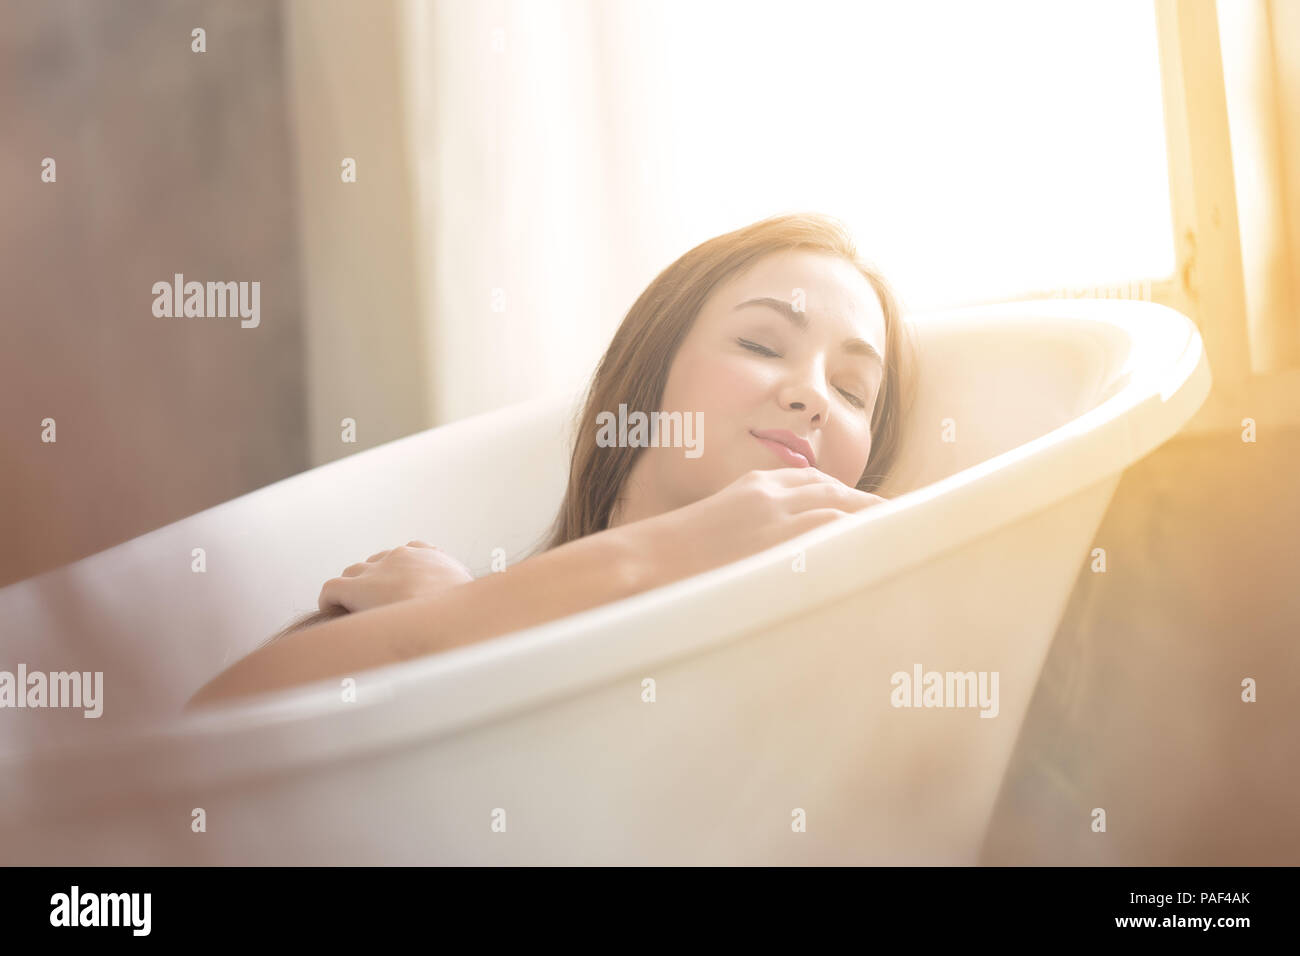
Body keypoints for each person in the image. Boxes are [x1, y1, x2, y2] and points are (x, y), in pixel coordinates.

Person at [186, 212, 916, 708]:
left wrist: (455, 618)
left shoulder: (854, 671)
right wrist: (475, 619)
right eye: (760, 345)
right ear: (646, 378)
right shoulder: (440, 601)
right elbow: (186, 751)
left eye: (854, 392)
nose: (814, 397)